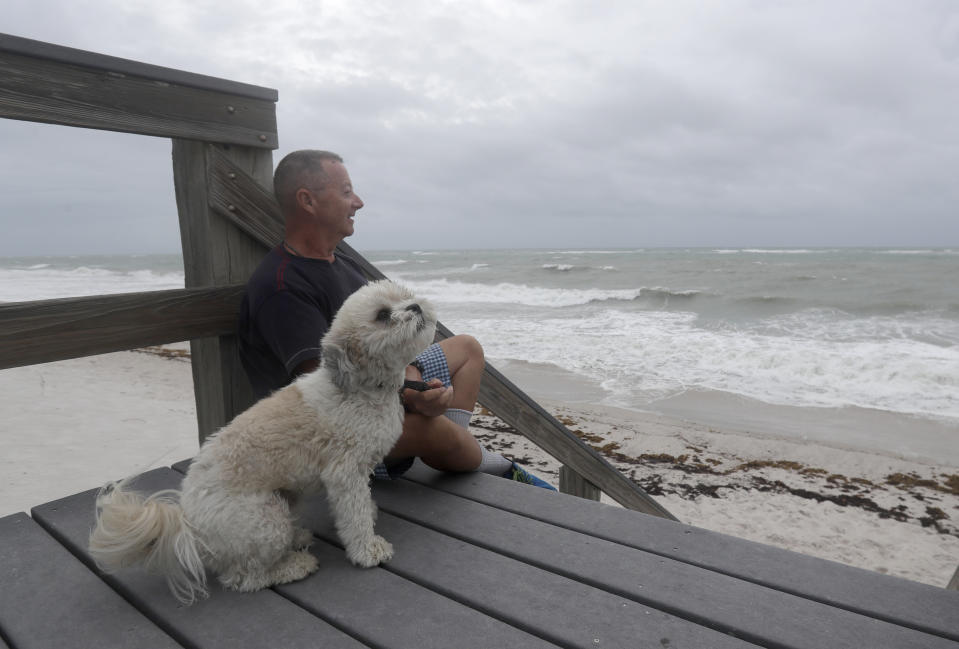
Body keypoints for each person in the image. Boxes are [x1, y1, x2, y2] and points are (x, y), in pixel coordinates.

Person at [238, 149, 554, 488]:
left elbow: (393, 344)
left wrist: (416, 384)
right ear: (308, 201)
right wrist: (410, 399)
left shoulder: (341, 265)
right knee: (431, 429)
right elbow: (330, 390)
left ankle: (453, 455)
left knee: (467, 349)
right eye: (346, 192)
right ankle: (498, 468)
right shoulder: (283, 286)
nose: (358, 202)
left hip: (372, 395)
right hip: (323, 438)